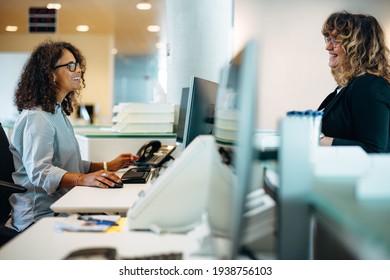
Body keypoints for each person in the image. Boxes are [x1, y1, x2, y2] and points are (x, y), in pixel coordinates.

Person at [8, 40, 139, 232]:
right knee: (118, 226)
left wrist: (107, 166)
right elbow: (40, 172)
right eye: (70, 66)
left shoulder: (56, 112)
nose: (78, 70)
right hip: (40, 215)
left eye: (78, 65)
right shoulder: (37, 117)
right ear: (50, 74)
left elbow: (67, 163)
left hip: (65, 205)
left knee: (119, 221)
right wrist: (82, 179)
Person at [318, 11, 390, 153]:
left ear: (356, 47)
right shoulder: (349, 85)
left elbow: (374, 149)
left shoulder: (369, 85)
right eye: (328, 40)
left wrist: (318, 140)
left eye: (335, 41)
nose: (328, 47)